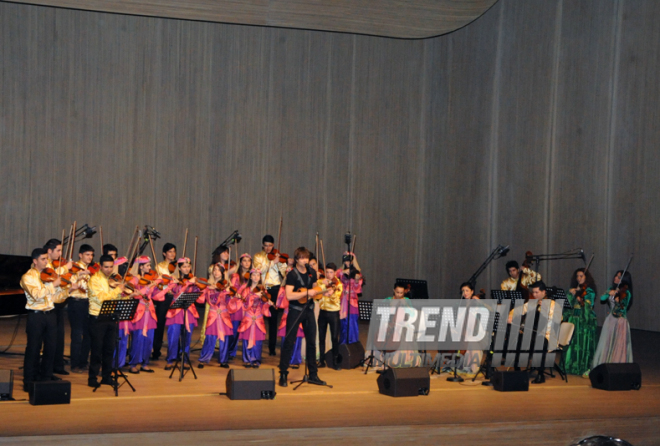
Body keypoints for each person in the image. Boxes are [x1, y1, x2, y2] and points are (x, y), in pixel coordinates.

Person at [20, 248, 70, 392]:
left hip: (50, 314)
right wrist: (52, 285)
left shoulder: (49, 274)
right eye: (43, 259)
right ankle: (29, 380)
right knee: (33, 349)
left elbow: (55, 298)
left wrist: (67, 291)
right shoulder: (27, 277)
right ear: (35, 261)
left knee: (51, 348)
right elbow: (36, 295)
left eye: (46, 259)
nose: (46, 261)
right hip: (36, 316)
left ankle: (46, 377)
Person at [278, 247, 329, 387]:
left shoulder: (312, 272)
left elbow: (315, 293)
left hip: (309, 310)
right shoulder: (292, 275)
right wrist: (307, 293)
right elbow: (289, 295)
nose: (304, 260)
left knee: (312, 343)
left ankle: (313, 374)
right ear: (296, 260)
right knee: (289, 341)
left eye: (306, 257)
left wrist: (324, 292)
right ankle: (283, 373)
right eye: (301, 258)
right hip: (295, 310)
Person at [507, 281, 559, 383]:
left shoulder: (553, 304)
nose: (534, 295)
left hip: (547, 336)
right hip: (532, 334)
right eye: (533, 292)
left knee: (540, 342)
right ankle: (517, 371)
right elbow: (519, 310)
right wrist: (511, 315)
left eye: (537, 292)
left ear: (544, 292)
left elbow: (557, 319)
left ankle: (540, 374)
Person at [87, 255, 128, 388]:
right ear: (100, 266)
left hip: (111, 316)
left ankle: (106, 376)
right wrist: (117, 289)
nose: (109, 270)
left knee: (109, 349)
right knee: (97, 349)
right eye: (106, 267)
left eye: (111, 267)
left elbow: (116, 299)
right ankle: (92, 378)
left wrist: (127, 296)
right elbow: (102, 299)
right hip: (97, 317)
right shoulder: (94, 280)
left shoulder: (113, 279)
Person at [127, 256, 170, 374]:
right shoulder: (133, 280)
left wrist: (168, 287)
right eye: (147, 266)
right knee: (138, 339)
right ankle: (133, 363)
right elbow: (137, 295)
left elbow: (157, 297)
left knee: (149, 339)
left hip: (150, 311)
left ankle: (145, 363)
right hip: (139, 311)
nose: (150, 268)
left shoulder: (150, 279)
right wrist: (153, 284)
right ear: (140, 266)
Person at [164, 258, 204, 370]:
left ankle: (184, 359)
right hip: (176, 311)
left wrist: (200, 289)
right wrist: (187, 284)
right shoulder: (175, 280)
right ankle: (170, 360)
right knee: (173, 337)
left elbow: (201, 301)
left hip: (189, 310)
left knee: (187, 337)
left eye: (188, 266)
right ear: (180, 268)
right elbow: (177, 292)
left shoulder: (193, 281)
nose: (187, 269)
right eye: (184, 267)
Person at [253, 235, 288, 356]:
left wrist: (283, 266)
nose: (268, 248)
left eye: (270, 245)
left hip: (275, 289)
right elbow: (258, 270)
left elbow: (283, 272)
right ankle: (256, 346)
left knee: (273, 320)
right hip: (262, 288)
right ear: (263, 245)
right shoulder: (258, 256)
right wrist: (272, 262)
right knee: (259, 318)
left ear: (273, 245)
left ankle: (272, 348)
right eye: (266, 245)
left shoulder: (277, 256)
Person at [44, 238, 73, 376]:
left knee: (59, 337)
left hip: (58, 304)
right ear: (49, 251)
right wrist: (65, 268)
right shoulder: (46, 264)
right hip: (49, 305)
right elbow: (50, 273)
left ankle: (57, 365)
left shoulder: (56, 264)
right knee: (51, 339)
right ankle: (48, 369)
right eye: (58, 250)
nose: (60, 254)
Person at [198, 264, 236, 368]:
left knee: (225, 338)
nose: (216, 272)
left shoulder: (227, 285)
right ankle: (204, 359)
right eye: (214, 270)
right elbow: (201, 300)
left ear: (223, 272)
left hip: (224, 313)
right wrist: (204, 290)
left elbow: (231, 303)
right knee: (210, 336)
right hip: (213, 313)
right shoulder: (208, 285)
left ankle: (223, 360)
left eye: (219, 270)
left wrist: (229, 293)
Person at [592, 271, 633, 367]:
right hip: (610, 319)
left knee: (618, 345)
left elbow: (623, 308)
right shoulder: (611, 288)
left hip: (620, 321)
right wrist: (609, 293)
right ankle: (604, 364)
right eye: (616, 276)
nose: (616, 278)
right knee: (606, 342)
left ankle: (617, 366)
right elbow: (602, 299)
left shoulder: (626, 292)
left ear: (624, 280)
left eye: (619, 277)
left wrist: (619, 301)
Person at [563, 268, 598, 376]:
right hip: (574, 319)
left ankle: (583, 366)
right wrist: (570, 294)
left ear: (586, 277)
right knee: (572, 342)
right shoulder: (574, 289)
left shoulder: (589, 291)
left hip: (583, 320)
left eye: (581, 276)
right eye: (577, 276)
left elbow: (589, 305)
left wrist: (580, 299)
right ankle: (570, 365)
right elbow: (567, 304)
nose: (579, 278)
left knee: (583, 343)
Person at [67, 244, 95, 374]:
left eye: (91, 255)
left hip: (88, 303)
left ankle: (84, 362)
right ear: (80, 255)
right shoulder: (73, 268)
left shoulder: (92, 269)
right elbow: (70, 284)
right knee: (77, 334)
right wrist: (79, 275)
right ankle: (75, 364)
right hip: (76, 302)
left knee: (88, 334)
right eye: (87, 255)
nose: (90, 257)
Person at [237, 269, 273, 368]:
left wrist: (267, 303)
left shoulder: (263, 290)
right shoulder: (246, 290)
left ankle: (256, 359)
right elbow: (244, 303)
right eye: (254, 275)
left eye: (258, 275)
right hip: (248, 317)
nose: (256, 277)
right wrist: (253, 296)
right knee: (246, 339)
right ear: (250, 277)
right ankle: (247, 359)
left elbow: (263, 305)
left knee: (258, 340)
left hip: (258, 317)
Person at [152, 242, 178, 361]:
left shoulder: (179, 265)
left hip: (176, 297)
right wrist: (167, 288)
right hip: (165, 297)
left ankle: (175, 351)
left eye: (174, 251)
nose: (172, 254)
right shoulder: (159, 267)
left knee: (176, 325)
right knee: (160, 324)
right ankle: (156, 350)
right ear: (164, 253)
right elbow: (158, 286)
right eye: (170, 251)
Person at [227, 253, 252, 361]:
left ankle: (248, 355)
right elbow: (231, 290)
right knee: (235, 331)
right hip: (238, 306)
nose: (247, 263)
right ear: (241, 263)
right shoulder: (236, 276)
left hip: (248, 306)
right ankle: (229, 352)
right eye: (244, 261)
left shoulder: (253, 276)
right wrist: (237, 292)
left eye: (249, 261)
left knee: (247, 331)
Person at [317, 263, 342, 368]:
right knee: (321, 337)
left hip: (333, 313)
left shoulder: (338, 284)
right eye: (327, 272)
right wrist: (322, 287)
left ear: (335, 273)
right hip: (322, 312)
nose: (328, 274)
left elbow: (336, 298)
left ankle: (335, 361)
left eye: (331, 272)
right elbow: (316, 294)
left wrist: (332, 292)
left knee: (334, 338)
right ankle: (321, 360)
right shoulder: (322, 282)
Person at [337, 252, 363, 344]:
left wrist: (356, 280)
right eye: (345, 261)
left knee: (352, 323)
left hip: (352, 302)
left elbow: (358, 289)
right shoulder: (340, 271)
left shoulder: (357, 273)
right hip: (342, 300)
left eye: (349, 261)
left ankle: (353, 343)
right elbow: (334, 278)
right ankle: (343, 344)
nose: (347, 263)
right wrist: (342, 272)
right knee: (343, 324)